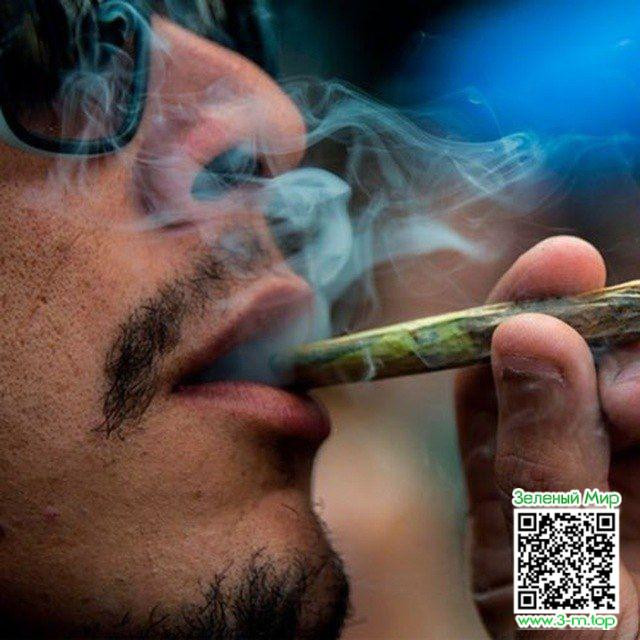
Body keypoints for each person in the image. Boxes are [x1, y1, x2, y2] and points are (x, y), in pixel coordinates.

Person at [1, 2, 639, 639]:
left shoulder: (439, 532)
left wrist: (575, 611)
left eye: (228, 28)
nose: (275, 119)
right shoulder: (378, 511)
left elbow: (573, 611)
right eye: (44, 35)